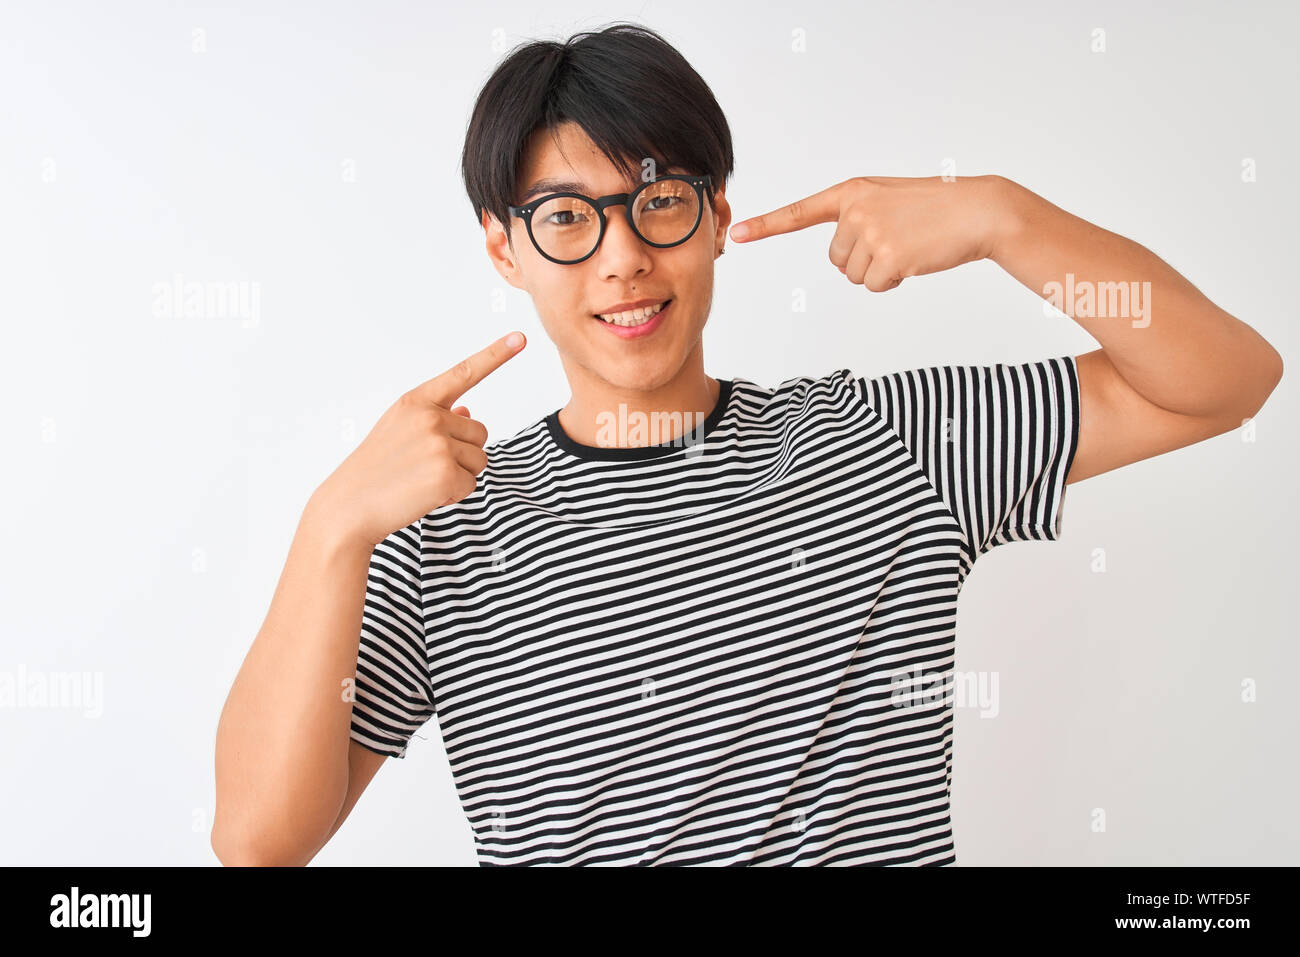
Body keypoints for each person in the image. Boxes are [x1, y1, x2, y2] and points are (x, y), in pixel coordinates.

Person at [212, 22, 1282, 866]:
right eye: (567, 219)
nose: (624, 258)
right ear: (504, 247)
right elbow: (258, 843)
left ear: (719, 215)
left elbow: (1227, 380)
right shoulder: (440, 528)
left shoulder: (884, 443)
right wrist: (329, 528)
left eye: (659, 202)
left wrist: (1004, 217)